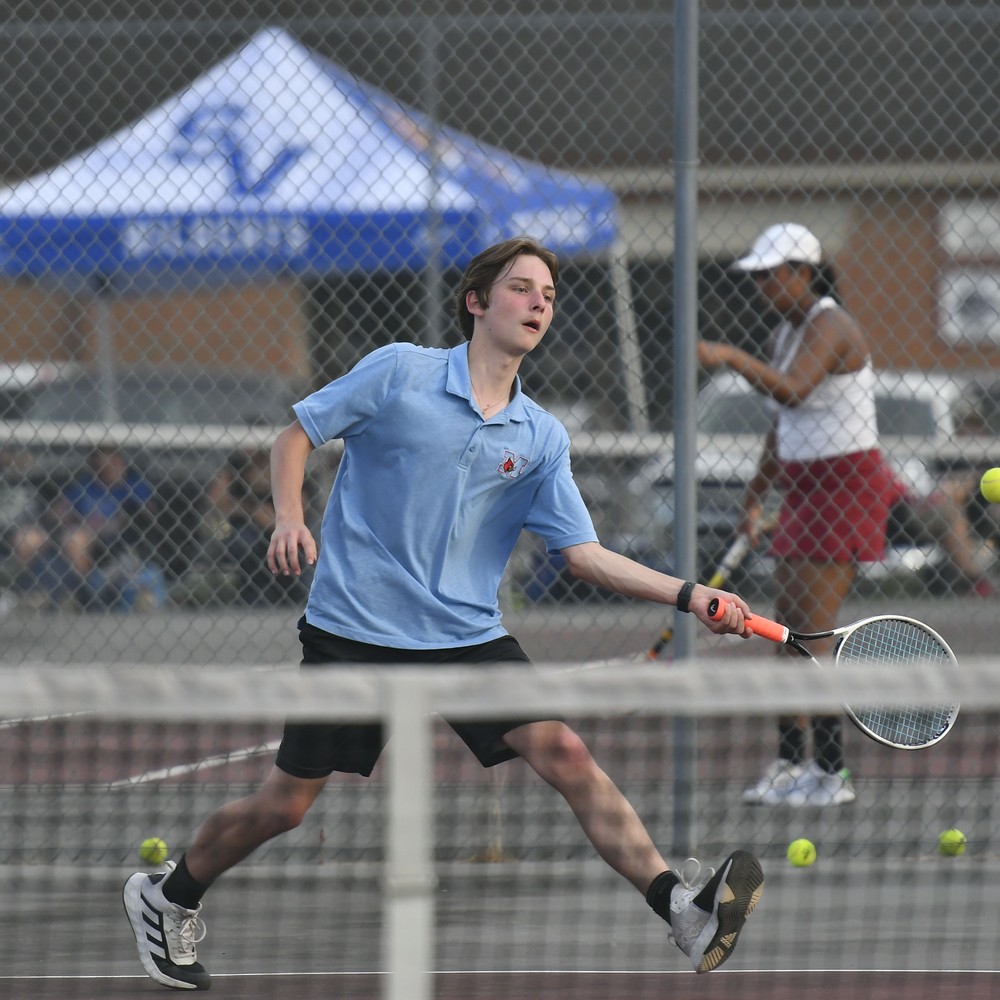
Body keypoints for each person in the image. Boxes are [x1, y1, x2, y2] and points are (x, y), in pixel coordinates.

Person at [124, 236, 764, 990]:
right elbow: (295, 435)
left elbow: (585, 555)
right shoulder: (401, 372)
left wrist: (692, 595)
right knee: (287, 805)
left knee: (566, 755)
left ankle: (682, 913)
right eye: (522, 288)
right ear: (477, 302)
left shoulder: (540, 438)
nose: (538, 304)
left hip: (466, 637)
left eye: (549, 296)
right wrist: (289, 517)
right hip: (353, 631)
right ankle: (165, 897)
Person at [698, 222, 894, 808]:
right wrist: (756, 496)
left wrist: (729, 356)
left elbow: (795, 392)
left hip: (847, 489)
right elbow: (784, 425)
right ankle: (790, 764)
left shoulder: (832, 324)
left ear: (804, 273)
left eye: (770, 274)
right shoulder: (789, 331)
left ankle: (832, 774)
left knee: (811, 638)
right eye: (756, 276)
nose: (761, 285)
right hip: (805, 493)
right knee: (785, 636)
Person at [12, 443, 163, 611]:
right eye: (100, 465)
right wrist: (60, 516)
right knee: (27, 537)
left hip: (111, 536)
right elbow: (58, 512)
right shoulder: (87, 484)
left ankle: (78, 593)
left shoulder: (133, 485)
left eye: (112, 464)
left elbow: (148, 513)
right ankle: (26, 592)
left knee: (76, 538)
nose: (106, 470)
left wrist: (128, 512)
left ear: (121, 463)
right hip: (75, 528)